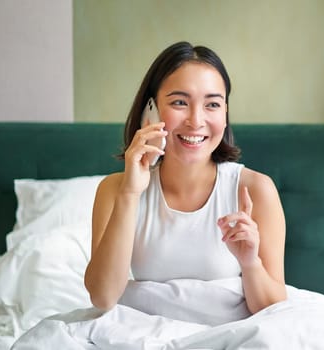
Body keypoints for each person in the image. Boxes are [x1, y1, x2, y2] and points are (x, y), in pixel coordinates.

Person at [84, 42, 287, 314]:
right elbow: (103, 297)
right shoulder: (115, 190)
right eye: (180, 102)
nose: (196, 120)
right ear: (150, 110)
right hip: (145, 337)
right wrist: (130, 194)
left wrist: (251, 263)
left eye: (212, 104)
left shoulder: (255, 189)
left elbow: (274, 312)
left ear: (225, 113)